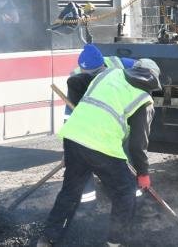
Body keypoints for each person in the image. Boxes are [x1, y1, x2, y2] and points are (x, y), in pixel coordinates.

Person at [38, 58, 161, 247]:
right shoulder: (144, 100)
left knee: (70, 191)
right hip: (102, 148)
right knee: (126, 193)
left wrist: (85, 113)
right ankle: (114, 243)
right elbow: (138, 145)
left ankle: (48, 238)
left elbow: (74, 82)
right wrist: (143, 173)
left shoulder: (109, 73)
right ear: (153, 81)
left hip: (74, 137)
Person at [65, 44, 137, 207]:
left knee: (125, 158)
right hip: (91, 126)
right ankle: (87, 204)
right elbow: (69, 111)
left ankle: (134, 198)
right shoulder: (76, 78)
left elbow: (142, 66)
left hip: (118, 123)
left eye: (94, 73)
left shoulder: (117, 64)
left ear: (102, 65)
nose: (91, 77)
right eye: (87, 74)